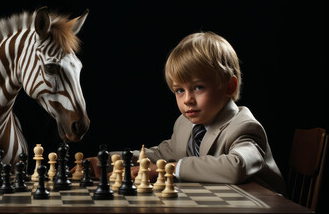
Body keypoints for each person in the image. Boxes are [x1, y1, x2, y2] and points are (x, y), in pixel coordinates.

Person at [74, 31, 286, 195]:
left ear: (229, 87)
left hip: (259, 205)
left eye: (199, 87)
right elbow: (161, 154)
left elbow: (237, 166)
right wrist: (109, 161)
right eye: (179, 90)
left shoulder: (244, 126)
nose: (187, 100)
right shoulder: (185, 124)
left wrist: (169, 168)